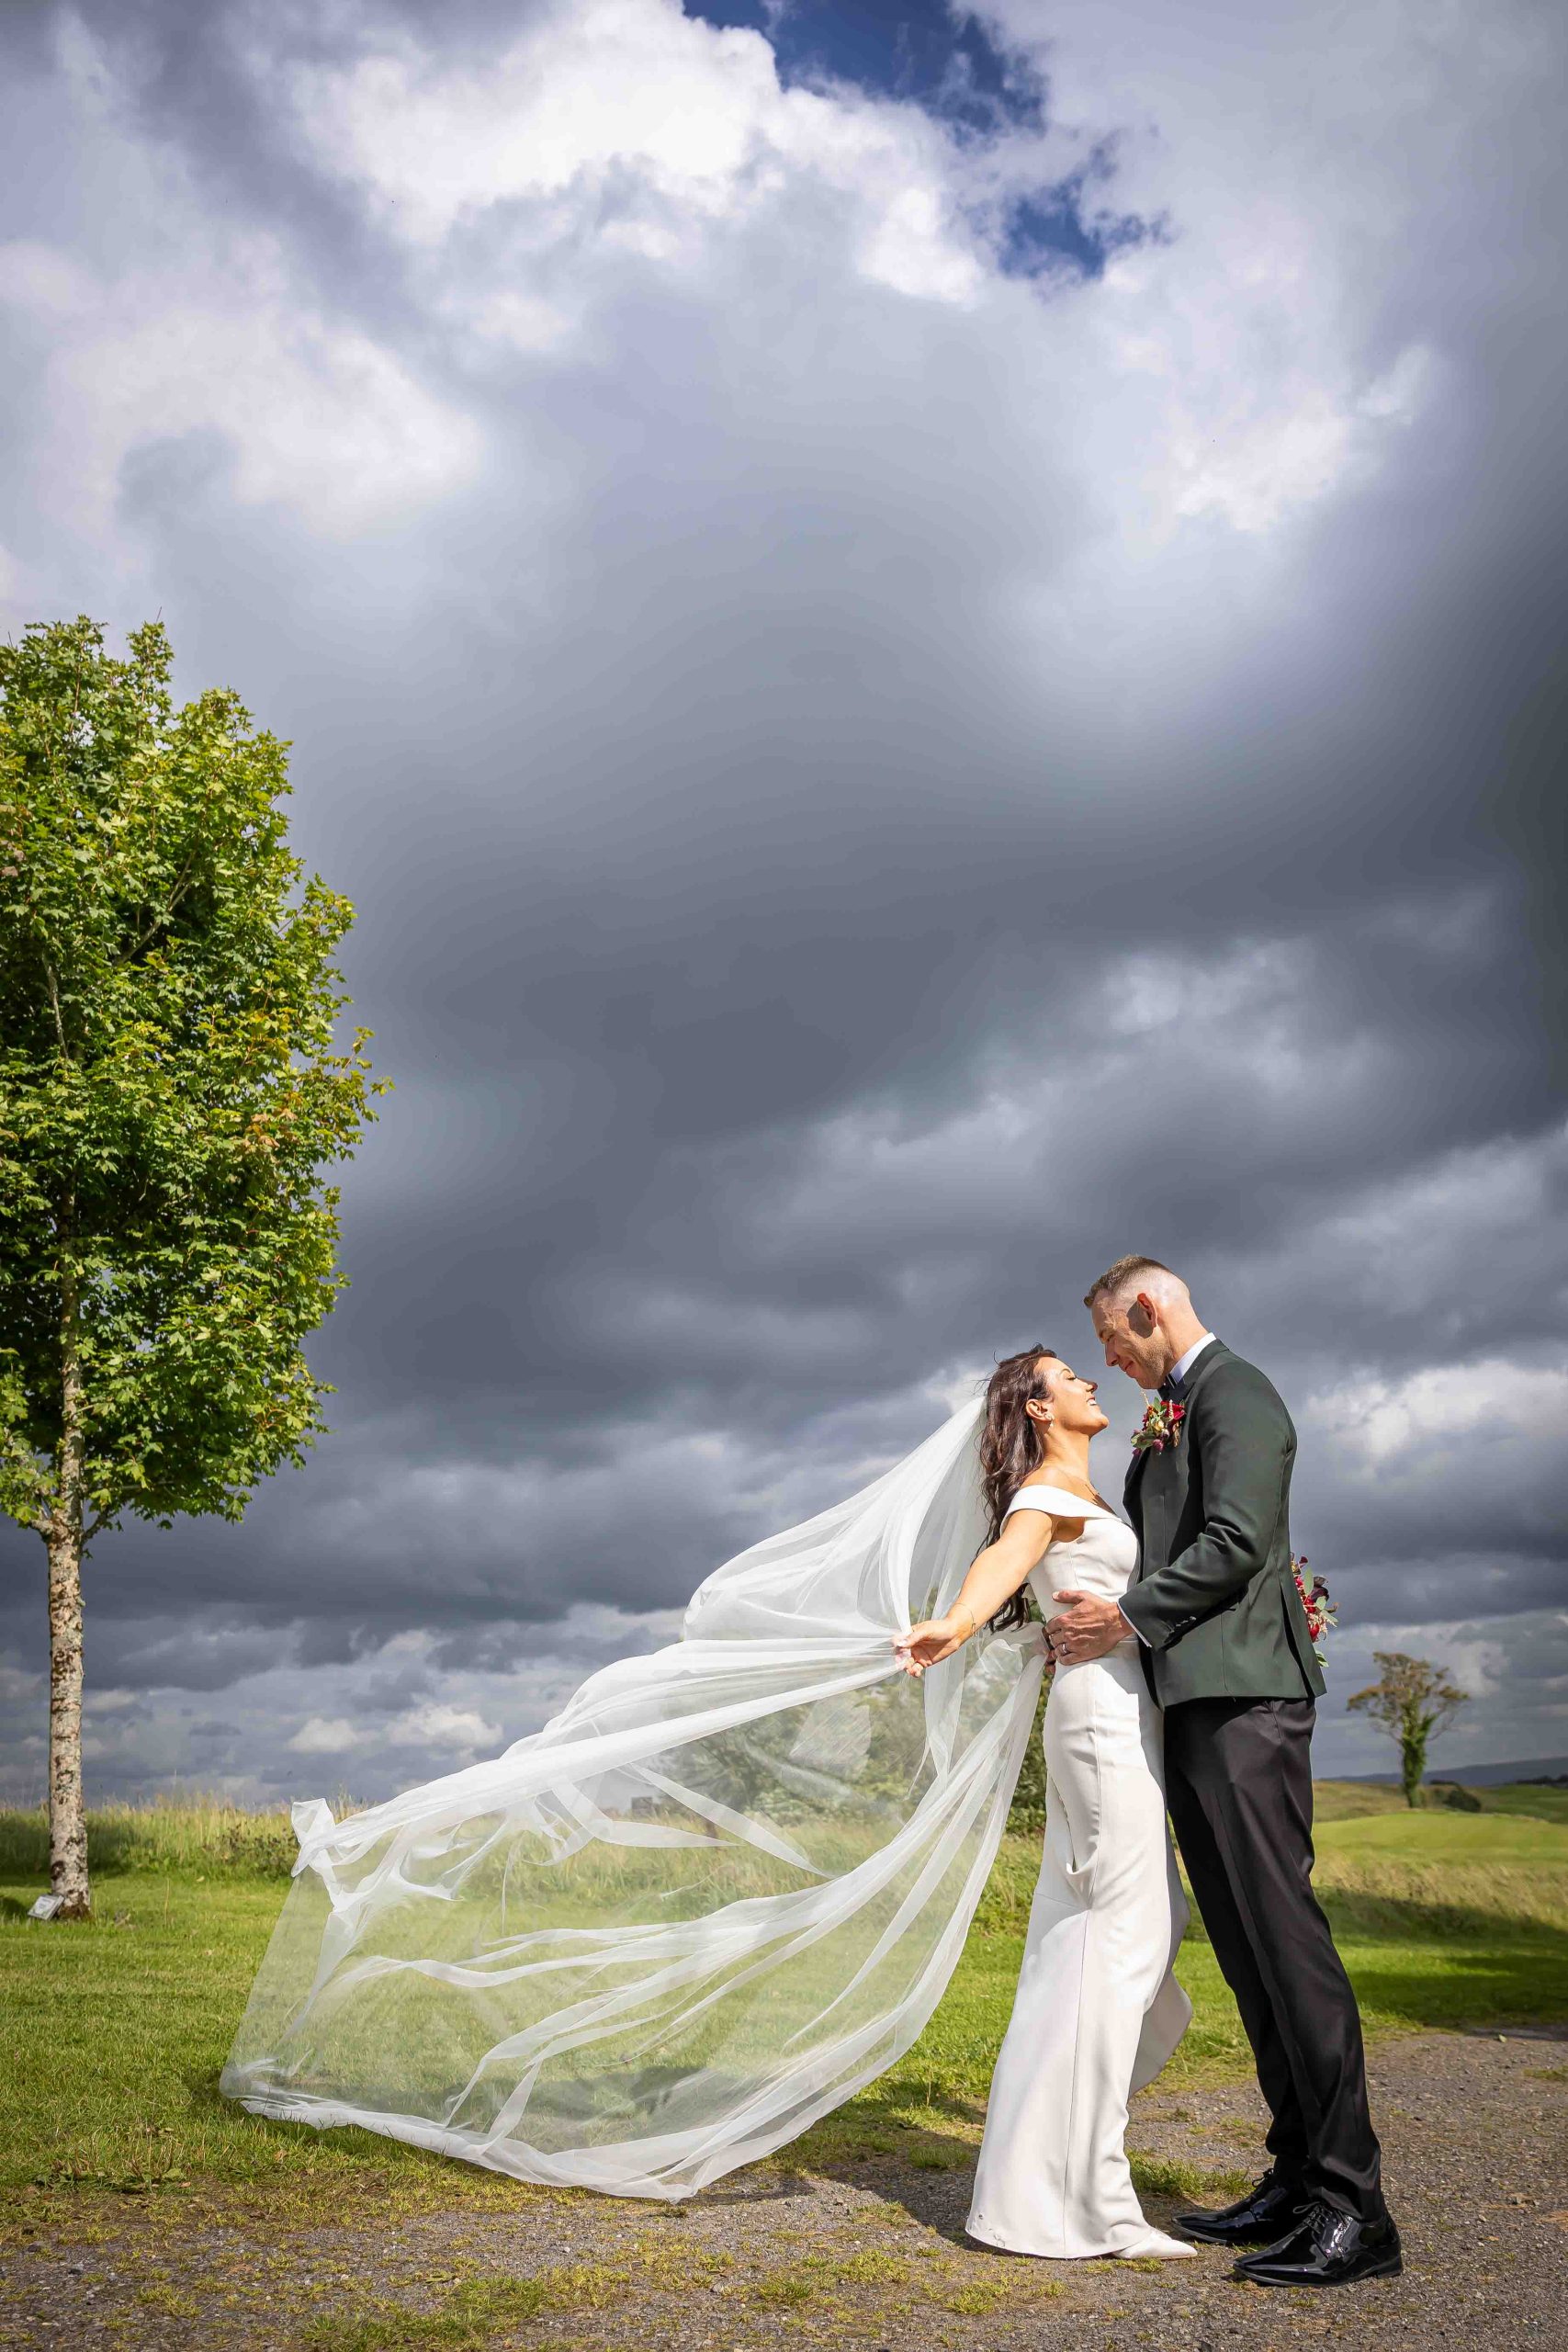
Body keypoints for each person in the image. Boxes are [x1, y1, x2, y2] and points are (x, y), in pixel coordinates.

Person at [1045, 1256, 1401, 2289]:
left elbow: (1241, 1540)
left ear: (1148, 1309)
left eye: (1113, 1337)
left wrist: (1125, 1617)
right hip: (1193, 1703)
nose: (1108, 1360)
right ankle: (1295, 2178)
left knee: (1288, 1945)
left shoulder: (1235, 1393)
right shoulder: (1174, 1409)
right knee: (1247, 1955)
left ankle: (1355, 2204)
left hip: (1247, 1700)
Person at [895, 1345, 1195, 2260]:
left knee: (1106, 1940)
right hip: (1100, 1724)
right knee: (1120, 1945)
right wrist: (952, 1623)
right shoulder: (1044, 1501)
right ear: (1035, 1408)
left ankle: (1037, 2178)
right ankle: (1096, 2200)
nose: (1089, 1384)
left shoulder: (1095, 1497)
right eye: (1070, 1376)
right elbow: (1003, 1558)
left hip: (1121, 1715)